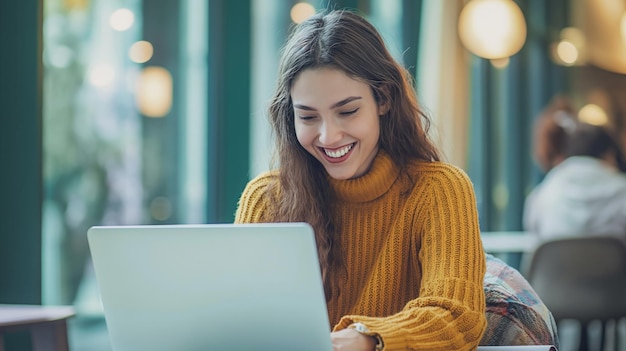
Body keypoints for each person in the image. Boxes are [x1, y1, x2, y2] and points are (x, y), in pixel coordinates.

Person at [235, 9, 487, 351]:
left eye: (348, 111)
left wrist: (369, 339)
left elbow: (458, 317)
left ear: (382, 99)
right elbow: (241, 320)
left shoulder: (439, 191)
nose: (328, 136)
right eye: (308, 116)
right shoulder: (266, 198)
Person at [524, 119, 626, 242]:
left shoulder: (544, 192)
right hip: (613, 261)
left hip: (557, 261)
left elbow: (535, 234)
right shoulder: (621, 188)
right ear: (609, 155)